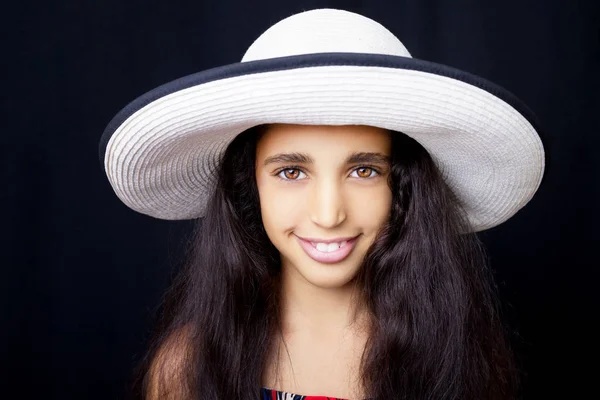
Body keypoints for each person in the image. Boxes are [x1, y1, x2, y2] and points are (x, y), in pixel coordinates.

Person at [99, 8, 546, 400]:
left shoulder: (456, 363)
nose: (329, 214)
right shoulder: (189, 369)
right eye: (291, 172)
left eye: (363, 170)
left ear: (404, 188)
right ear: (248, 187)